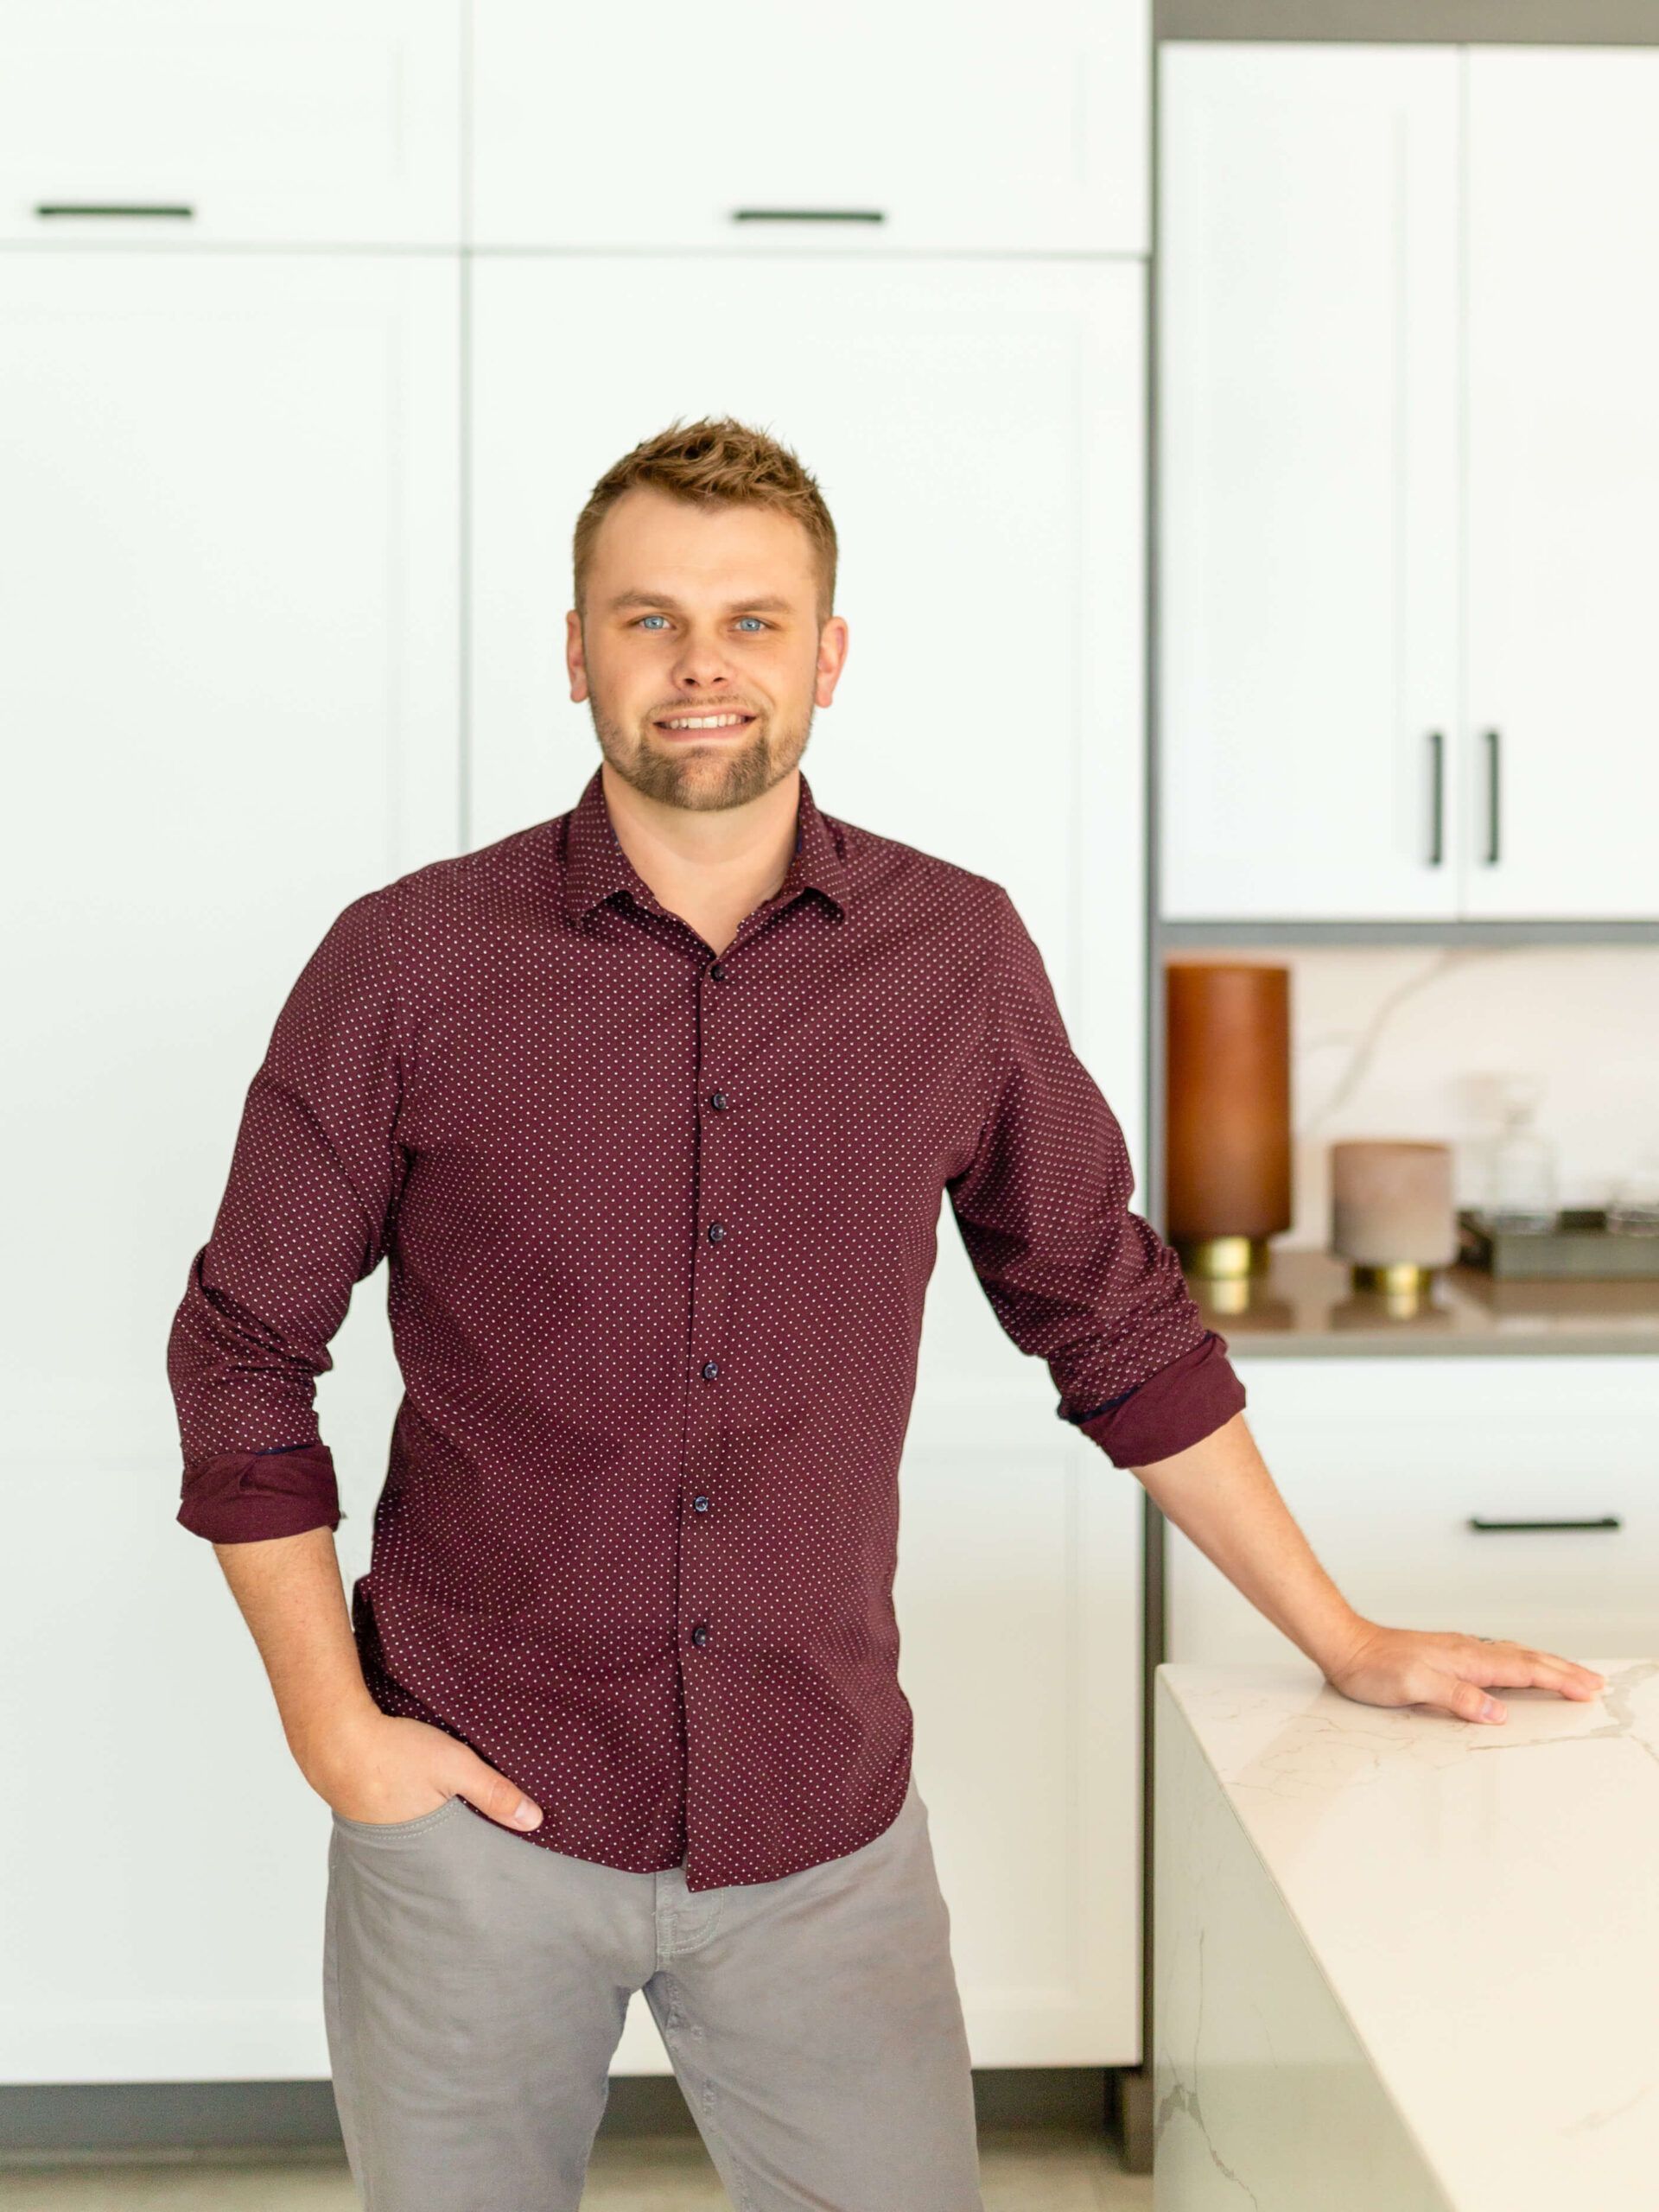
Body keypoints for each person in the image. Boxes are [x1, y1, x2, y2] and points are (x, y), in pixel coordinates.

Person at [166, 416, 1605, 2212]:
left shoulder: (955, 955)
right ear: (574, 648)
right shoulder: (407, 961)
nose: (703, 664)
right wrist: (333, 1730)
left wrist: (1343, 1631)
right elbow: (241, 1345)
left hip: (818, 1819)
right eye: (650, 617)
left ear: (830, 655)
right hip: (472, 1818)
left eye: (755, 620)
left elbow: (1115, 1317)